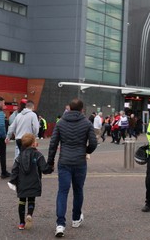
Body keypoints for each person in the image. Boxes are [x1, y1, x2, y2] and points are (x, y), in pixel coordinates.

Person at [47, 98, 97, 238]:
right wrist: (85, 150)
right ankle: (75, 219)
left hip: (64, 161)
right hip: (80, 162)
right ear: (82, 110)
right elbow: (93, 143)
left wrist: (50, 162)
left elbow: (53, 143)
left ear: (69, 108)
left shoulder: (61, 122)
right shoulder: (87, 123)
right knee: (78, 190)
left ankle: (60, 224)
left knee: (62, 192)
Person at [9, 133, 52, 230]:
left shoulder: (19, 157)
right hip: (34, 182)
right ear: (33, 144)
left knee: (22, 202)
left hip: (22, 183)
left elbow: (14, 170)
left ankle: (21, 223)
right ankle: (29, 214)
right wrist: (50, 167)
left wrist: (12, 181)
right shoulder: (38, 154)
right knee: (31, 200)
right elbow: (45, 169)